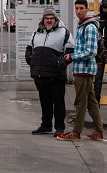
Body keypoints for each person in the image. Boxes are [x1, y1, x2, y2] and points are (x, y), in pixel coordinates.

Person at [58, 0, 105, 142]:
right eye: (77, 8)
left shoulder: (89, 27)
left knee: (80, 102)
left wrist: (71, 57)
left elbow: (91, 51)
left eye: (81, 8)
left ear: (87, 9)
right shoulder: (83, 26)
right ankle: (98, 131)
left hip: (84, 71)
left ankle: (76, 132)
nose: (78, 11)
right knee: (91, 102)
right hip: (83, 69)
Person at [25, 8, 75, 137]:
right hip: (40, 74)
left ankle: (59, 127)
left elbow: (70, 50)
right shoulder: (37, 33)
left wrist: (61, 63)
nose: (49, 20)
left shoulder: (64, 33)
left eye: (51, 18)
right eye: (46, 18)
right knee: (45, 101)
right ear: (43, 19)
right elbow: (29, 48)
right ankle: (46, 125)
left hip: (56, 74)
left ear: (55, 19)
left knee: (58, 102)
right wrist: (31, 60)